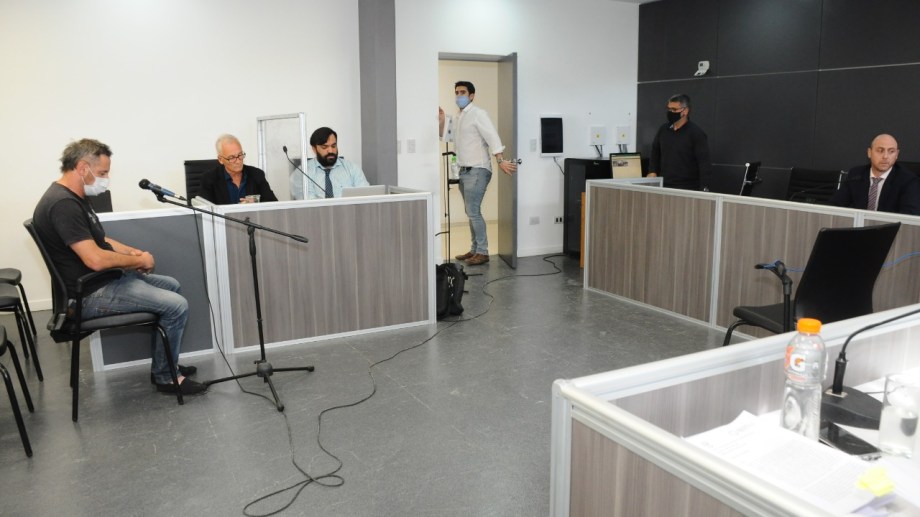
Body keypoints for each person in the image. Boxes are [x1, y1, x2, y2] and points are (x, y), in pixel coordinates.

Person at [32, 139, 206, 394]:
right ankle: (167, 377)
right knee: (176, 305)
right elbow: (95, 259)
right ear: (82, 168)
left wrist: (132, 252)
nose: (106, 179)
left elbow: (100, 241)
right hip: (87, 294)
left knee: (172, 286)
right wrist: (138, 261)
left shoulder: (74, 197)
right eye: (102, 173)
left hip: (100, 281)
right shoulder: (63, 205)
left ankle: (165, 364)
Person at [438, 81, 517, 266]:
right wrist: (441, 121)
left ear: (472, 95)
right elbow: (448, 138)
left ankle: (482, 251)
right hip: (464, 171)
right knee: (470, 211)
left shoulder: (478, 114)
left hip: (478, 170)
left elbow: (492, 136)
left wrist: (500, 160)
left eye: (463, 92)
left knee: (473, 211)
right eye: (457, 92)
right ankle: (474, 249)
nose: (459, 96)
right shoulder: (459, 117)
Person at [830, 134, 920, 215]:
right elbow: (835, 206)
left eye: (891, 151)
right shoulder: (856, 174)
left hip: (889, 227)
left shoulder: (908, 181)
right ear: (869, 153)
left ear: (897, 154)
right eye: (880, 151)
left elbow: (909, 216)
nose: (885, 156)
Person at [648, 94, 712, 190]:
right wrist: (652, 171)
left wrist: (704, 188)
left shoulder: (696, 133)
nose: (671, 112)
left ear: (685, 111)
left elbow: (704, 163)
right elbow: (655, 151)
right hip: (664, 185)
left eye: (674, 109)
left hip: (687, 188)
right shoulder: (663, 130)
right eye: (669, 109)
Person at [290, 127, 370, 200]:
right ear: (314, 149)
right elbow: (309, 204)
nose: (331, 151)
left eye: (333, 146)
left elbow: (366, 196)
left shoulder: (352, 169)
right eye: (324, 147)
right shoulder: (302, 173)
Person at [198, 134, 279, 204]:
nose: (238, 161)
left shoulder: (256, 174)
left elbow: (273, 203)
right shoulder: (209, 179)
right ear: (220, 159)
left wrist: (255, 203)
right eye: (232, 157)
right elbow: (205, 210)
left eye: (240, 155)